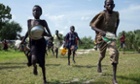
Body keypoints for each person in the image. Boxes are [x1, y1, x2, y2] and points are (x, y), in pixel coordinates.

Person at [90, 0, 120, 84]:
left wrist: (115, 31)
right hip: (102, 37)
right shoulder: (102, 14)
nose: (110, 6)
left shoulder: (116, 14)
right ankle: (99, 63)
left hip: (111, 36)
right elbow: (93, 26)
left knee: (114, 53)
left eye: (111, 4)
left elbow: (118, 21)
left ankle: (114, 79)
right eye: (108, 4)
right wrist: (101, 31)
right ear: (105, 6)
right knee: (102, 55)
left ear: (114, 5)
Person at [21, 5, 52, 84]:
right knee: (33, 59)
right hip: (33, 43)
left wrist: (44, 33)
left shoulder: (43, 22)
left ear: (41, 12)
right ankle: (34, 67)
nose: (35, 12)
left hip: (41, 43)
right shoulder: (29, 21)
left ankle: (44, 79)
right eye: (34, 10)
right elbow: (28, 32)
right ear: (32, 12)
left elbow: (50, 34)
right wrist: (23, 40)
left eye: (37, 10)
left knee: (42, 62)